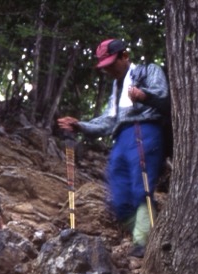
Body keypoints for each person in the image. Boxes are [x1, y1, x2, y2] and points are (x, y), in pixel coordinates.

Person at [57, 38, 169, 258]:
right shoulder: (117, 87)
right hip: (121, 138)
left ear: (124, 56)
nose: (108, 70)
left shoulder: (148, 71)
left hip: (145, 129)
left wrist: (144, 96)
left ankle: (143, 242)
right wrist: (80, 125)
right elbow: (109, 120)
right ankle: (147, 234)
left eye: (111, 64)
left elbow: (163, 96)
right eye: (104, 66)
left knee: (141, 187)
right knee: (118, 196)